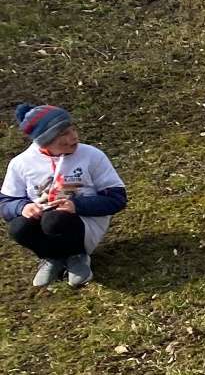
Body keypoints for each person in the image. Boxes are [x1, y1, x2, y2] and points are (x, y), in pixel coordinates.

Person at [3, 104, 127, 288]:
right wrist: (23, 207)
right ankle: (52, 257)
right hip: (44, 224)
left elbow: (117, 198)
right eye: (63, 134)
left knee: (54, 220)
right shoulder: (21, 163)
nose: (73, 137)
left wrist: (77, 205)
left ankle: (77, 256)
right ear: (45, 141)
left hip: (83, 222)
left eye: (72, 129)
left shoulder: (91, 155)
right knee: (18, 228)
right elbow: (6, 203)